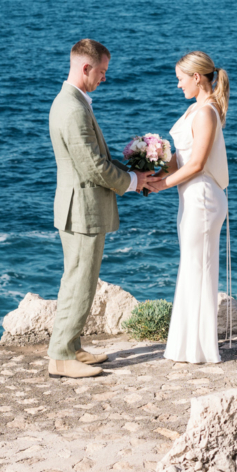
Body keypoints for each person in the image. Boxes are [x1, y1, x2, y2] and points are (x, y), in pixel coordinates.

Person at [46, 38, 159, 378]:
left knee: (81, 278)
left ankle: (72, 346)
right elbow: (93, 166)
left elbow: (96, 159)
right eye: (102, 71)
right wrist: (134, 182)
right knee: (80, 281)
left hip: (79, 206)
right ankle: (61, 355)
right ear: (85, 68)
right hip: (82, 209)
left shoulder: (73, 103)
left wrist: (131, 170)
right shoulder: (73, 108)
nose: (104, 78)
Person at [145, 50, 230, 365]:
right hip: (191, 197)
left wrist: (161, 185)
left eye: (181, 79)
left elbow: (197, 163)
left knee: (200, 268)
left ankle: (201, 348)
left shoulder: (206, 112)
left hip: (203, 198)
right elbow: (181, 160)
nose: (178, 85)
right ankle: (186, 346)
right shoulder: (197, 109)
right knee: (192, 267)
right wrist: (152, 161)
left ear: (197, 77)